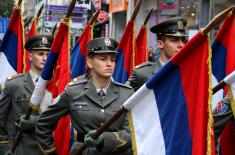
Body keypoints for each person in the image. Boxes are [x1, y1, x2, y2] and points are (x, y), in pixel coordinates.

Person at [34, 37, 134, 155]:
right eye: (103, 59)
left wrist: (105, 139)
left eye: (112, 60)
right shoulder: (74, 91)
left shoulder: (127, 93)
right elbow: (43, 123)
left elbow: (133, 132)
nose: (109, 64)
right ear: (90, 62)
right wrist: (51, 152)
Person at [0, 34, 53, 155]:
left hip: (51, 148)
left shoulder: (59, 86)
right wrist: (4, 148)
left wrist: (37, 121)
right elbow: (1, 118)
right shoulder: (14, 84)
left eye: (48, 54)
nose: (45, 58)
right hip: (21, 149)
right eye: (40, 54)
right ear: (30, 56)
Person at [127, 17, 188, 91]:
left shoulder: (190, 72)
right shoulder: (142, 74)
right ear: (160, 44)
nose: (181, 45)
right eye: (174, 40)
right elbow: (123, 98)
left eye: (183, 40)